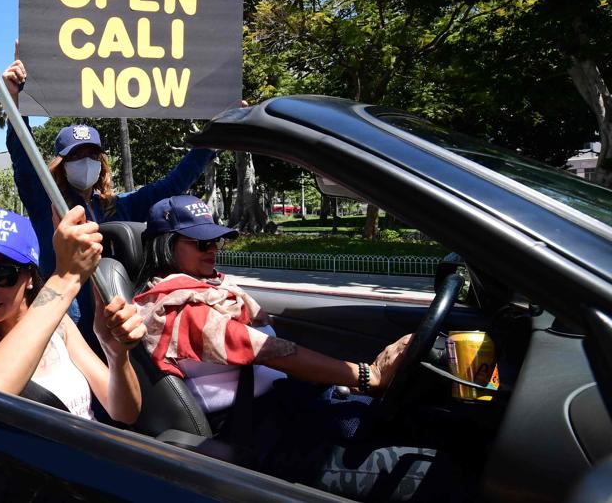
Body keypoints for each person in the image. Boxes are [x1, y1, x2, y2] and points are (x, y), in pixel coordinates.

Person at [135, 195, 450, 498]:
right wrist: (367, 376)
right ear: (166, 246)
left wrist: (352, 384)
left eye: (216, 241)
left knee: (426, 425)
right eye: (202, 243)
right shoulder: (175, 306)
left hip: (287, 407)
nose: (213, 250)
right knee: (436, 476)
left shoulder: (211, 289)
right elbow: (267, 351)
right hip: (258, 431)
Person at [0, 55, 216, 329]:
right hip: (68, 322)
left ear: (101, 164)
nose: (86, 161)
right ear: (62, 165)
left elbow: (174, 184)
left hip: (118, 317)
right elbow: (23, 156)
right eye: (76, 156)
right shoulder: (48, 205)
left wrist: (212, 139)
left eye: (92, 155)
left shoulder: (121, 206)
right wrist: (15, 103)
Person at [0, 206, 145, 423]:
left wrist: (117, 356)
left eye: (2, 274)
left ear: (30, 278)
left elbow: (125, 413)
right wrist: (66, 279)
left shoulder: (60, 327)